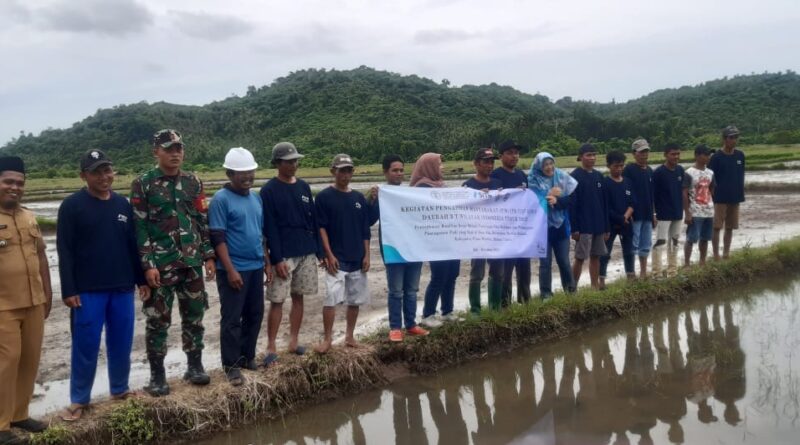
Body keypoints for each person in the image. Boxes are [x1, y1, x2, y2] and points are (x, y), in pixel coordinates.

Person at [56, 150, 148, 421]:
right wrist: (69, 289)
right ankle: (79, 400)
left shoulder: (122, 204)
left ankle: (119, 389)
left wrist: (140, 279)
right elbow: (65, 250)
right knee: (86, 345)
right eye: (97, 172)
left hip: (121, 287)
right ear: (84, 175)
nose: (104, 177)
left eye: (108, 170)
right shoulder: (72, 206)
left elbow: (132, 246)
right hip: (87, 291)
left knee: (121, 342)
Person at [130, 129, 216, 396]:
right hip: (161, 265)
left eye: (179, 148)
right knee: (157, 321)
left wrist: (208, 255)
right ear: (156, 151)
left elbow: (201, 220)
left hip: (191, 263)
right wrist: (147, 264)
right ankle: (157, 376)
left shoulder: (194, 182)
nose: (175, 153)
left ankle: (195, 366)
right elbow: (140, 226)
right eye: (169, 148)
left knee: (195, 316)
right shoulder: (143, 184)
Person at [0, 156, 52, 444]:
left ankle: (20, 414)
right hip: (3, 305)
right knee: (5, 363)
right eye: (8, 181)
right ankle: (1, 424)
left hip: (34, 301)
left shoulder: (28, 216)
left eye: (19, 183)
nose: (15, 187)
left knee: (29, 360)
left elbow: (42, 254)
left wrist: (47, 291)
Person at [260, 142, 324, 366]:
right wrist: (276, 258)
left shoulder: (304, 187)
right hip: (284, 253)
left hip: (306, 250)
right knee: (277, 299)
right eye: (289, 161)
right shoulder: (269, 191)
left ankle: (294, 342)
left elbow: (313, 220)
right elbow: (269, 228)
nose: (294, 164)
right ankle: (271, 346)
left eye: (296, 160)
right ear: (277, 163)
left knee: (299, 296)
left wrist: (319, 250)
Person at [208, 147, 268, 386]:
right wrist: (230, 269)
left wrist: (267, 262)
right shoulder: (221, 200)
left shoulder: (256, 197)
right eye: (241, 173)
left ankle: (247, 356)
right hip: (233, 269)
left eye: (251, 172)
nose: (247, 177)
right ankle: (231, 365)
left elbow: (260, 233)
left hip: (255, 265)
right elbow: (218, 238)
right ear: (229, 173)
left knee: (255, 313)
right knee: (232, 319)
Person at [367, 155, 429, 342]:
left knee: (411, 289)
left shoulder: (411, 194)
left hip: (414, 248)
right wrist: (373, 199)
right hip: (393, 249)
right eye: (395, 170)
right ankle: (395, 327)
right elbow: (370, 220)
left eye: (401, 170)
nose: (399, 173)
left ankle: (410, 324)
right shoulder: (381, 195)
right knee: (396, 290)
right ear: (385, 172)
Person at [314, 154, 372, 353]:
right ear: (333, 172)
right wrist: (328, 254)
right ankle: (328, 339)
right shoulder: (323, 197)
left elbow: (365, 230)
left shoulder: (358, 199)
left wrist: (367, 255)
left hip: (357, 257)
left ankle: (349, 336)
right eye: (342, 170)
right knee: (331, 298)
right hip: (336, 258)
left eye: (349, 170)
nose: (346, 174)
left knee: (354, 300)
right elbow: (321, 228)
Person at [412, 153, 460, 327]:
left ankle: (447, 310)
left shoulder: (440, 186)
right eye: (439, 164)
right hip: (436, 240)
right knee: (439, 276)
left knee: (452, 273)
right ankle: (428, 314)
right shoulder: (422, 188)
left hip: (451, 238)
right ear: (429, 166)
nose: (443, 167)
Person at [527, 152, 577, 299]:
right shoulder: (532, 179)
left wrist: (557, 201)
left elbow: (571, 199)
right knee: (545, 263)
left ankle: (571, 292)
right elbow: (533, 202)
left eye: (551, 163)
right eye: (545, 165)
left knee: (564, 261)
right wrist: (549, 193)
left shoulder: (561, 176)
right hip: (542, 229)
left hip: (560, 226)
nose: (549, 167)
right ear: (538, 166)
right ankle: (546, 294)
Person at [490, 139, 531, 304]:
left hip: (522, 231)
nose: (514, 156)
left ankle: (525, 301)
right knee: (506, 271)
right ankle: (505, 303)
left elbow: (530, 200)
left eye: (516, 153)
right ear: (501, 156)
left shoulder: (522, 175)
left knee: (525, 269)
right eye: (510, 153)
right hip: (505, 232)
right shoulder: (495, 176)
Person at [464, 148, 504, 313]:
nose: (489, 165)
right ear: (476, 164)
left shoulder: (497, 184)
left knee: (497, 271)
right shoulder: (468, 185)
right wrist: (475, 198)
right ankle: (475, 309)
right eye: (485, 161)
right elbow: (462, 211)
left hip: (495, 234)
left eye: (491, 162)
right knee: (477, 271)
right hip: (477, 235)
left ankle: (495, 307)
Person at [570, 144, 609, 290]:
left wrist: (606, 227)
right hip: (583, 225)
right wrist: (574, 228)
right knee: (580, 258)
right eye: (588, 155)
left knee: (596, 256)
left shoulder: (599, 176)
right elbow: (572, 205)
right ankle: (572, 289)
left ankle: (594, 286)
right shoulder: (574, 176)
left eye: (594, 155)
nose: (592, 158)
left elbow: (605, 203)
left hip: (598, 224)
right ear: (580, 157)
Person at [599, 151, 636, 287]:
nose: (619, 169)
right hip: (610, 224)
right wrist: (620, 218)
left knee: (629, 250)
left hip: (626, 222)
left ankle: (631, 275)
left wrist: (625, 216)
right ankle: (601, 280)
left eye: (621, 166)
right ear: (609, 166)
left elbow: (632, 203)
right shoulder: (605, 183)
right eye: (616, 166)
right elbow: (605, 207)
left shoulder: (628, 182)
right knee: (605, 253)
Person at [709, 125, 745, 260]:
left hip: (735, 197)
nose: (734, 140)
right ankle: (716, 255)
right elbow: (710, 178)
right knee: (717, 226)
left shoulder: (740, 155)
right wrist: (712, 196)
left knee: (730, 227)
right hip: (719, 197)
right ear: (724, 139)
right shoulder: (716, 157)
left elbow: (741, 175)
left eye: (736, 137)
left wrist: (740, 194)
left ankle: (726, 254)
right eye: (731, 137)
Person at [624, 139, 657, 279]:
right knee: (633, 244)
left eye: (646, 152)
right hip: (635, 214)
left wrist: (654, 214)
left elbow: (652, 195)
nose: (644, 155)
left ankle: (643, 272)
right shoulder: (629, 170)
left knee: (645, 244)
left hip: (648, 213)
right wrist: (628, 212)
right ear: (634, 154)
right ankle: (631, 273)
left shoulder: (649, 170)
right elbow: (625, 192)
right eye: (641, 152)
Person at [652, 143, 685, 278]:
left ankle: (672, 272)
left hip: (677, 212)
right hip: (663, 214)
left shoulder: (680, 170)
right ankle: (657, 274)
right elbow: (653, 195)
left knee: (675, 243)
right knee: (660, 243)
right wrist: (654, 213)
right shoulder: (658, 173)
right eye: (673, 154)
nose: (676, 156)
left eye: (677, 153)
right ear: (665, 155)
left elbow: (683, 192)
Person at [683, 145, 716, 266]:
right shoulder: (688, 173)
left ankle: (702, 262)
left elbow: (712, 188)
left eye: (709, 155)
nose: (708, 157)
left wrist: (710, 204)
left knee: (705, 238)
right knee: (691, 238)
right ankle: (687, 263)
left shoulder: (710, 172)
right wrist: (687, 212)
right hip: (695, 211)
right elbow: (684, 193)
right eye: (706, 154)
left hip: (708, 211)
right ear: (697, 155)